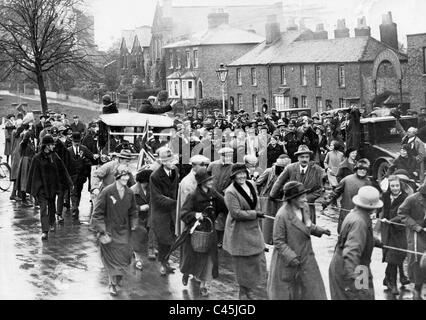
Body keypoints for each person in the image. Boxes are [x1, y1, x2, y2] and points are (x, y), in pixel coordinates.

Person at [267, 181, 330, 300]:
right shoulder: (282, 215)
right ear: (292, 199)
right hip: (288, 261)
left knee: (314, 292)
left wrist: (320, 230)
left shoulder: (304, 208)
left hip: (307, 258)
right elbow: (278, 241)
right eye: (302, 197)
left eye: (305, 196)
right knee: (288, 294)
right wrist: (291, 257)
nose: (305, 200)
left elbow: (307, 225)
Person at [329, 186, 384, 300]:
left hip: (355, 266)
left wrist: (375, 242)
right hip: (353, 268)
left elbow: (357, 238)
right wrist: (355, 279)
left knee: (366, 295)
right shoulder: (359, 222)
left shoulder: (356, 214)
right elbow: (351, 253)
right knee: (362, 296)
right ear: (373, 207)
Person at [92, 166, 138, 296]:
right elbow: (97, 213)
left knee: (125, 257)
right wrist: (101, 230)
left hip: (124, 231)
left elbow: (133, 210)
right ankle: (111, 284)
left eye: (127, 175)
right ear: (116, 176)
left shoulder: (130, 193)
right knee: (111, 260)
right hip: (109, 231)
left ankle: (117, 279)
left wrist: (134, 222)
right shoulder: (107, 191)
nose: (125, 178)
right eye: (122, 176)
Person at [179, 168, 226, 297]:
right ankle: (186, 273)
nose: (211, 181)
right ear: (201, 182)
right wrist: (195, 214)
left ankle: (205, 285)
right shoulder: (193, 196)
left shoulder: (214, 193)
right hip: (195, 231)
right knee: (191, 258)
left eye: (211, 179)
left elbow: (225, 205)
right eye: (208, 180)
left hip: (210, 231)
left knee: (209, 259)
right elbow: (184, 213)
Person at [223, 163, 266, 300]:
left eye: (243, 173)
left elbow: (256, 202)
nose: (242, 176)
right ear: (233, 176)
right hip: (239, 230)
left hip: (253, 228)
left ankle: (249, 287)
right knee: (242, 263)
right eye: (238, 174)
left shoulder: (251, 184)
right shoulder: (230, 192)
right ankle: (243, 290)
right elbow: (235, 213)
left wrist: (256, 212)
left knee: (255, 260)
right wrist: (255, 214)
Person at [26, 135, 72, 240]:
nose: (53, 146)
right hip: (41, 188)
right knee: (43, 209)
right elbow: (32, 175)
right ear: (46, 145)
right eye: (51, 144)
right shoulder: (37, 158)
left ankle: (51, 223)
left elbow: (62, 170)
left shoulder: (54, 156)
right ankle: (44, 231)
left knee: (52, 207)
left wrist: (69, 183)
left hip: (52, 187)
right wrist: (33, 191)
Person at [270, 145, 324, 224]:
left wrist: (304, 199)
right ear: (298, 158)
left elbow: (319, 190)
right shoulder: (290, 168)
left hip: (308, 206)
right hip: (292, 206)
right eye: (302, 157)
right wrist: (272, 195)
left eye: (306, 157)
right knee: (291, 229)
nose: (304, 159)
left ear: (309, 158)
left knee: (306, 230)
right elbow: (279, 182)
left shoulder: (317, 170)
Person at [323, 159, 376, 234]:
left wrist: (373, 212)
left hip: (361, 214)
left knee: (357, 234)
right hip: (346, 211)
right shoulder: (347, 180)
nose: (362, 171)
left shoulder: (369, 183)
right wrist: (327, 200)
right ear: (356, 169)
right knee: (343, 233)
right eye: (360, 169)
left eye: (365, 169)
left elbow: (372, 200)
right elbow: (336, 192)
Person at [150, 147, 179, 276]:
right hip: (161, 213)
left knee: (171, 239)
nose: (172, 162)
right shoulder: (155, 176)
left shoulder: (175, 171)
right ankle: (162, 264)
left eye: (172, 159)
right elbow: (157, 197)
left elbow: (177, 188)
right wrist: (176, 202)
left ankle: (166, 261)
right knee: (163, 240)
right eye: (168, 160)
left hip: (172, 212)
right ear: (162, 162)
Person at [379, 175, 410, 296]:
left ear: (400, 185)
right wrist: (377, 215)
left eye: (397, 185)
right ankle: (392, 284)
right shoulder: (385, 196)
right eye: (392, 186)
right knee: (390, 256)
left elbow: (404, 215)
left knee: (398, 255)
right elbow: (381, 209)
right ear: (389, 186)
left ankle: (387, 279)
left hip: (400, 231)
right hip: (387, 230)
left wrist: (392, 220)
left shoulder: (405, 198)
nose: (395, 188)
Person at [398, 182, 426, 300]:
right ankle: (417, 287)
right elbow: (401, 213)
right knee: (417, 259)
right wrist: (416, 227)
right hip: (416, 232)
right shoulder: (412, 199)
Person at [175, 155, 210, 237]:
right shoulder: (188, 182)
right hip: (190, 220)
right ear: (194, 166)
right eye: (202, 165)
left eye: (206, 165)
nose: (205, 167)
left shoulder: (198, 178)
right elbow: (187, 206)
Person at [207, 147, 234, 248]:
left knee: (224, 218)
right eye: (226, 156)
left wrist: (226, 192)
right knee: (213, 217)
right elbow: (207, 178)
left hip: (225, 196)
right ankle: (212, 238)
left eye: (230, 156)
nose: (228, 158)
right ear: (221, 156)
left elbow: (234, 182)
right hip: (213, 196)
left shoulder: (233, 167)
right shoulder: (213, 165)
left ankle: (223, 240)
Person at [67, 132, 97, 220]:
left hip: (81, 176)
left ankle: (76, 205)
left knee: (78, 191)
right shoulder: (68, 151)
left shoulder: (84, 149)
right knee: (73, 192)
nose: (76, 143)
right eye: (75, 141)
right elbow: (65, 163)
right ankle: (74, 208)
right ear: (72, 141)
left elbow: (91, 157)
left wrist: (93, 157)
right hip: (72, 175)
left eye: (78, 141)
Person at [130, 169, 153, 271]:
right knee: (137, 239)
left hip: (148, 218)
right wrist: (140, 208)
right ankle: (138, 259)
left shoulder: (151, 189)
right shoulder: (132, 191)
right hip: (137, 219)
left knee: (146, 239)